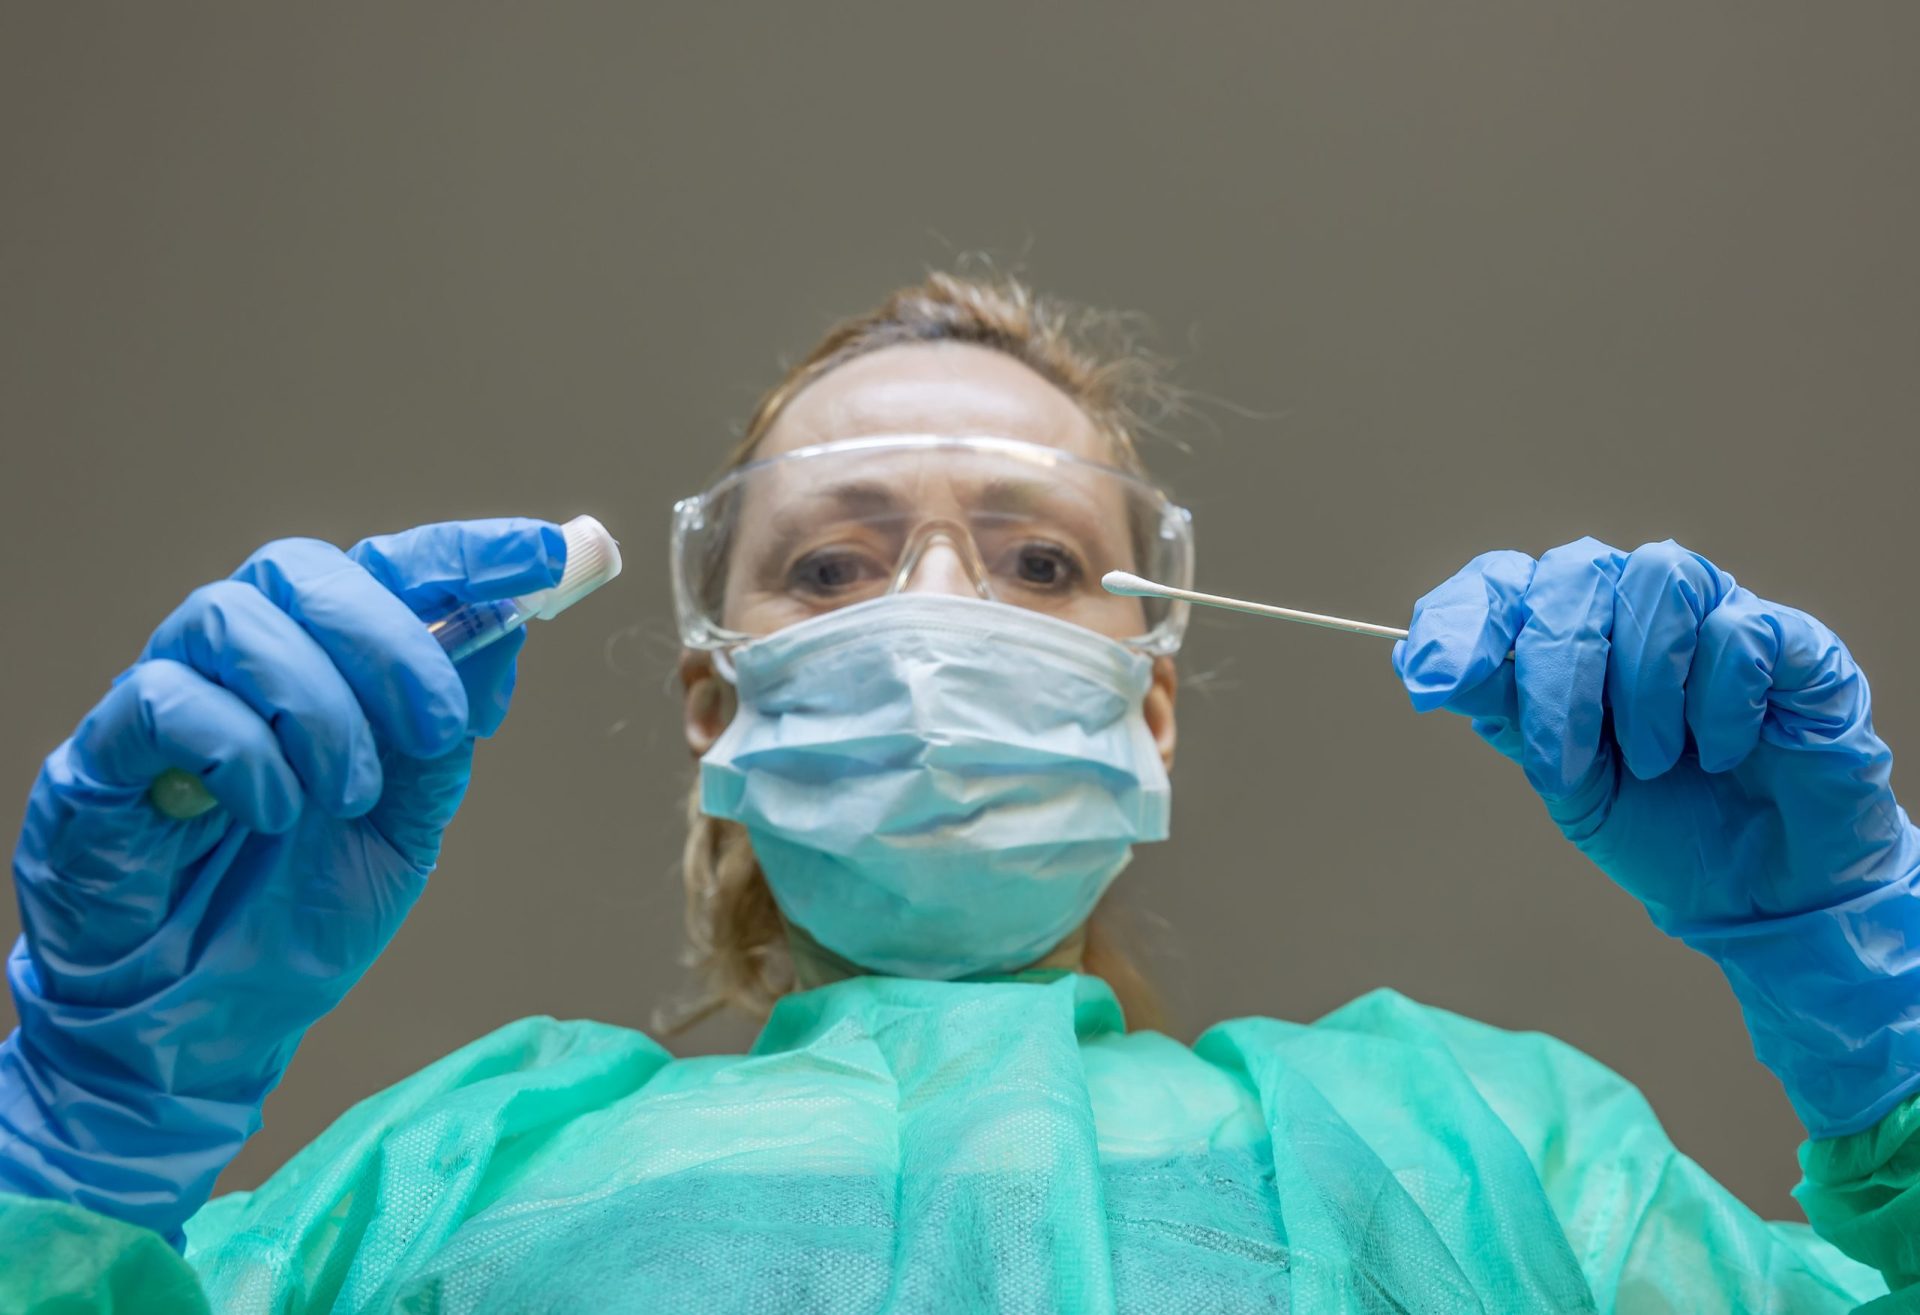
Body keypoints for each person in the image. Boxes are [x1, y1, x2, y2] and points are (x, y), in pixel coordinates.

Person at [1, 273, 1914, 1314]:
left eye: (1042, 565)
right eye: (829, 571)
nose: (933, 621)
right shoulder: (431, 1188)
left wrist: (1875, 1025)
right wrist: (73, 1162)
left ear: (1147, 706)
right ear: (711, 701)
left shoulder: (1490, 1149)